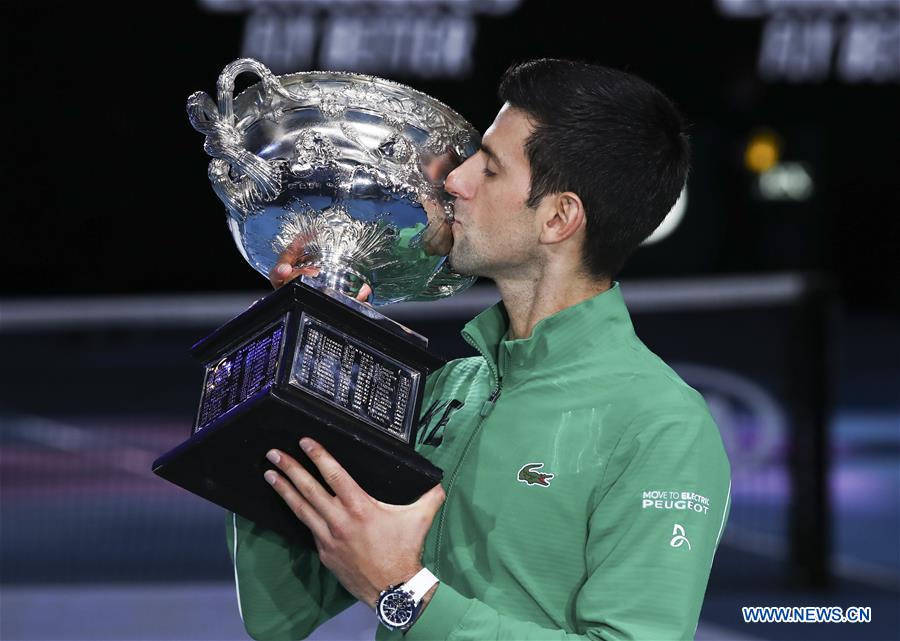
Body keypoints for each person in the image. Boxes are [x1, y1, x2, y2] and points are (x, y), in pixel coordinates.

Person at [230, 58, 731, 641]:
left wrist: (407, 593)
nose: (455, 181)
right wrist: (298, 342)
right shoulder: (447, 388)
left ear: (558, 218)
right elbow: (278, 612)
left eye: (489, 169)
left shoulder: (663, 426)